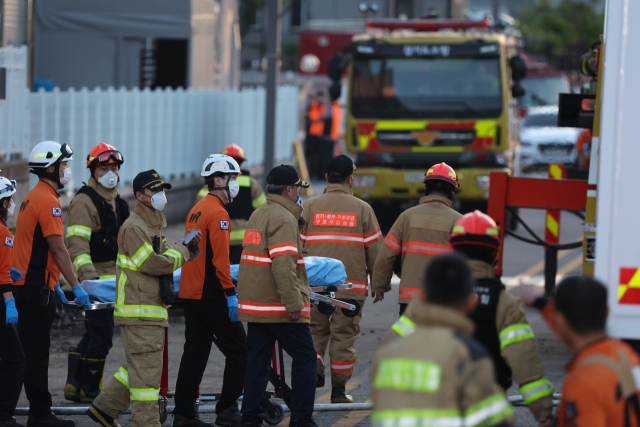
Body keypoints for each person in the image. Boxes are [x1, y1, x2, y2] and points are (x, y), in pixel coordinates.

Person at [383, 211, 554, 425]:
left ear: (453, 249)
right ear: (494, 252)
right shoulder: (503, 303)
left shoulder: (428, 297)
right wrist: (543, 412)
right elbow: (525, 364)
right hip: (485, 410)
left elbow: (393, 346)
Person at [87, 170, 201, 427]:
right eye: (154, 190)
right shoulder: (134, 227)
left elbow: (157, 257)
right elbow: (150, 263)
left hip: (147, 311)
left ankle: (105, 409)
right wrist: (183, 253)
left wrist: (180, 248)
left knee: (139, 369)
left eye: (162, 189)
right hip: (141, 313)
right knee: (147, 380)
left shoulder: (150, 224)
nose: (161, 195)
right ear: (139, 195)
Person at [371, 255, 514, 427]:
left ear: (422, 298)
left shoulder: (386, 355)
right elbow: (495, 421)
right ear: (471, 302)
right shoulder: (469, 354)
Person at [13, 141, 91, 427]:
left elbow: (36, 248)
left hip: (31, 286)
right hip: (34, 292)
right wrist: (76, 286)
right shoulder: (49, 202)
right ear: (50, 168)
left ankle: (37, 411)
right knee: (36, 353)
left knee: (26, 351)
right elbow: (58, 249)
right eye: (64, 165)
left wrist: (54, 282)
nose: (67, 170)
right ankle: (40, 414)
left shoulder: (33, 196)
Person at [237, 165, 317, 427]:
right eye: (297, 189)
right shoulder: (284, 218)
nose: (298, 195)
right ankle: (301, 420)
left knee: (257, 363)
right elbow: (283, 265)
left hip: (258, 305)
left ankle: (250, 417)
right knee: (306, 359)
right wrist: (293, 302)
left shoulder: (259, 214)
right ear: (290, 189)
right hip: (279, 306)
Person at [174, 155, 248, 427]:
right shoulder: (218, 213)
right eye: (232, 178)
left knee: (195, 353)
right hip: (211, 292)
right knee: (241, 351)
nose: (235, 184)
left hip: (192, 292)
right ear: (218, 179)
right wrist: (230, 293)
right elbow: (220, 260)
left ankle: (183, 414)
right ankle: (227, 409)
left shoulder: (197, 208)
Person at [300, 155, 382, 402]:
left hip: (314, 288)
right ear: (350, 179)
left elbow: (296, 249)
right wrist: (379, 284)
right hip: (350, 290)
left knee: (315, 331)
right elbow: (375, 253)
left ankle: (313, 373)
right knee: (344, 337)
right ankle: (338, 391)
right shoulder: (363, 209)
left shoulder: (309, 207)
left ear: (326, 178)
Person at [521, 276, 640, 427]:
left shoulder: (583, 382)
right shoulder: (626, 355)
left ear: (560, 320)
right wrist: (538, 302)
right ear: (607, 313)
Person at [64, 143, 129, 404]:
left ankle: (74, 386)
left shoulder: (119, 202)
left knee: (93, 332)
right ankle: (91, 389)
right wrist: (88, 279)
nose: (111, 172)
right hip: (96, 282)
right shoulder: (83, 201)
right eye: (104, 168)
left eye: (114, 167)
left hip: (115, 280)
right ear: (93, 170)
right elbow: (76, 244)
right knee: (102, 335)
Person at [371, 162, 462, 315]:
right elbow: (468, 262)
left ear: (426, 187)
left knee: (407, 339)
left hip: (410, 301)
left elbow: (387, 254)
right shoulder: (460, 222)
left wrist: (380, 286)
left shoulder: (407, 216)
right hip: (444, 301)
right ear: (452, 190)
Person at [194, 144, 266, 264]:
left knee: (220, 271)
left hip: (220, 238)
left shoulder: (213, 184)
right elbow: (263, 210)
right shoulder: (252, 183)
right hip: (244, 238)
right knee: (240, 273)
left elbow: (198, 208)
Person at [0, 176, 25, 427]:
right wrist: (9, 302)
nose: (12, 205)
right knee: (15, 359)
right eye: (9, 201)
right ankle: (4, 415)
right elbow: (1, 276)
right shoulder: (3, 232)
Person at [318, 85, 343, 179]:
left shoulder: (331, 106)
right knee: (331, 157)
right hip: (334, 136)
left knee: (326, 158)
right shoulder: (338, 106)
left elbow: (324, 115)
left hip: (327, 136)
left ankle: (325, 176)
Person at [305, 91, 326, 180]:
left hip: (321, 135)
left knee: (321, 157)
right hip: (312, 135)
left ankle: (319, 175)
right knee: (312, 157)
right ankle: (312, 174)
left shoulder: (325, 107)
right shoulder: (313, 106)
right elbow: (312, 118)